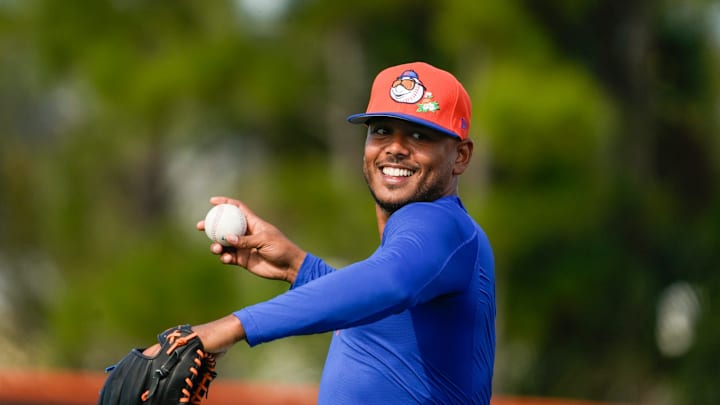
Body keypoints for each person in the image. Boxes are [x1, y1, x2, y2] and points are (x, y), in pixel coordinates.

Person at [145, 61, 496, 404]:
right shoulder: (427, 249)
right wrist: (296, 266)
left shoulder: (440, 222)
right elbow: (379, 318)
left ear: (461, 156)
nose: (395, 147)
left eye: (420, 135)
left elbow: (391, 283)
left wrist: (228, 328)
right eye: (381, 131)